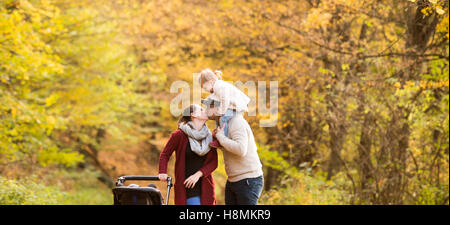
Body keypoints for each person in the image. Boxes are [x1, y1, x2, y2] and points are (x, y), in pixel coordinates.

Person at [202, 95, 264, 205]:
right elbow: (231, 147)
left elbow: (241, 149)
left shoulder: (236, 122)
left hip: (248, 180)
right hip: (233, 180)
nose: (206, 109)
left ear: (219, 108)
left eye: (209, 106)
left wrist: (221, 137)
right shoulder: (222, 124)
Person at [158, 104, 218, 205]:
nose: (205, 111)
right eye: (201, 109)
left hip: (205, 188)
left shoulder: (210, 137)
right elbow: (165, 154)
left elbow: (213, 162)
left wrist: (198, 174)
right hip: (187, 188)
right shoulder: (179, 135)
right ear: (193, 115)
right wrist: (162, 171)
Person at [199, 68, 251, 149]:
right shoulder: (216, 87)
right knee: (218, 118)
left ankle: (223, 138)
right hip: (231, 107)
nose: (205, 90)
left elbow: (225, 100)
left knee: (222, 118)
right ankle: (217, 135)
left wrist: (220, 112)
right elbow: (214, 98)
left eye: (205, 88)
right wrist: (205, 101)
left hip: (236, 108)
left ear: (211, 81)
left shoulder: (220, 87)